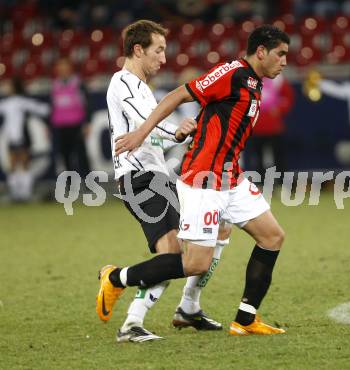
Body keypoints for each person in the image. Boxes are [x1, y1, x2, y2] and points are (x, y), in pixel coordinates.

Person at [105, 24, 290, 336]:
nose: (285, 61)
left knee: (270, 236)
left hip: (228, 176)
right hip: (192, 178)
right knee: (189, 260)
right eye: (281, 54)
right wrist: (149, 132)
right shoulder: (231, 73)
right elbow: (178, 96)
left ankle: (240, 318)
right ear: (261, 52)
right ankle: (118, 282)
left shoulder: (254, 83)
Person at [101, 20, 230, 343]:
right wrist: (175, 129)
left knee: (198, 243)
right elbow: (148, 124)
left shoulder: (143, 88)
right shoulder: (123, 82)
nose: (163, 58)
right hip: (139, 178)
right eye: (158, 51)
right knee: (175, 256)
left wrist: (180, 136)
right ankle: (118, 286)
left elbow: (152, 135)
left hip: (156, 177)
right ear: (138, 49)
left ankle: (177, 310)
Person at [0, 77, 50, 201]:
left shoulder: (20, 101)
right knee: (14, 165)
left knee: (22, 164)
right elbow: (43, 109)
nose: (6, 88)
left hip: (21, 137)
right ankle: (17, 193)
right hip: (13, 138)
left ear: (14, 88)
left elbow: (42, 109)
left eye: (9, 86)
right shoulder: (9, 102)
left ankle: (24, 193)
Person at [243, 73, 295, 181]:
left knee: (279, 157)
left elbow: (288, 97)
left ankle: (282, 183)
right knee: (257, 158)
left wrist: (279, 109)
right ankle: (259, 184)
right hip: (255, 126)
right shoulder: (247, 78)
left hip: (273, 127)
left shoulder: (278, 79)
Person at [50, 57, 91, 178]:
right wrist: (50, 125)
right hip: (60, 126)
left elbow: (87, 104)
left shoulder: (78, 83)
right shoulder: (55, 84)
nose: (62, 70)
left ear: (70, 68)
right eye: (60, 67)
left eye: (65, 67)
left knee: (81, 155)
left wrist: (87, 123)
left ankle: (88, 182)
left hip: (76, 124)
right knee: (65, 155)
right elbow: (52, 106)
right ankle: (70, 183)